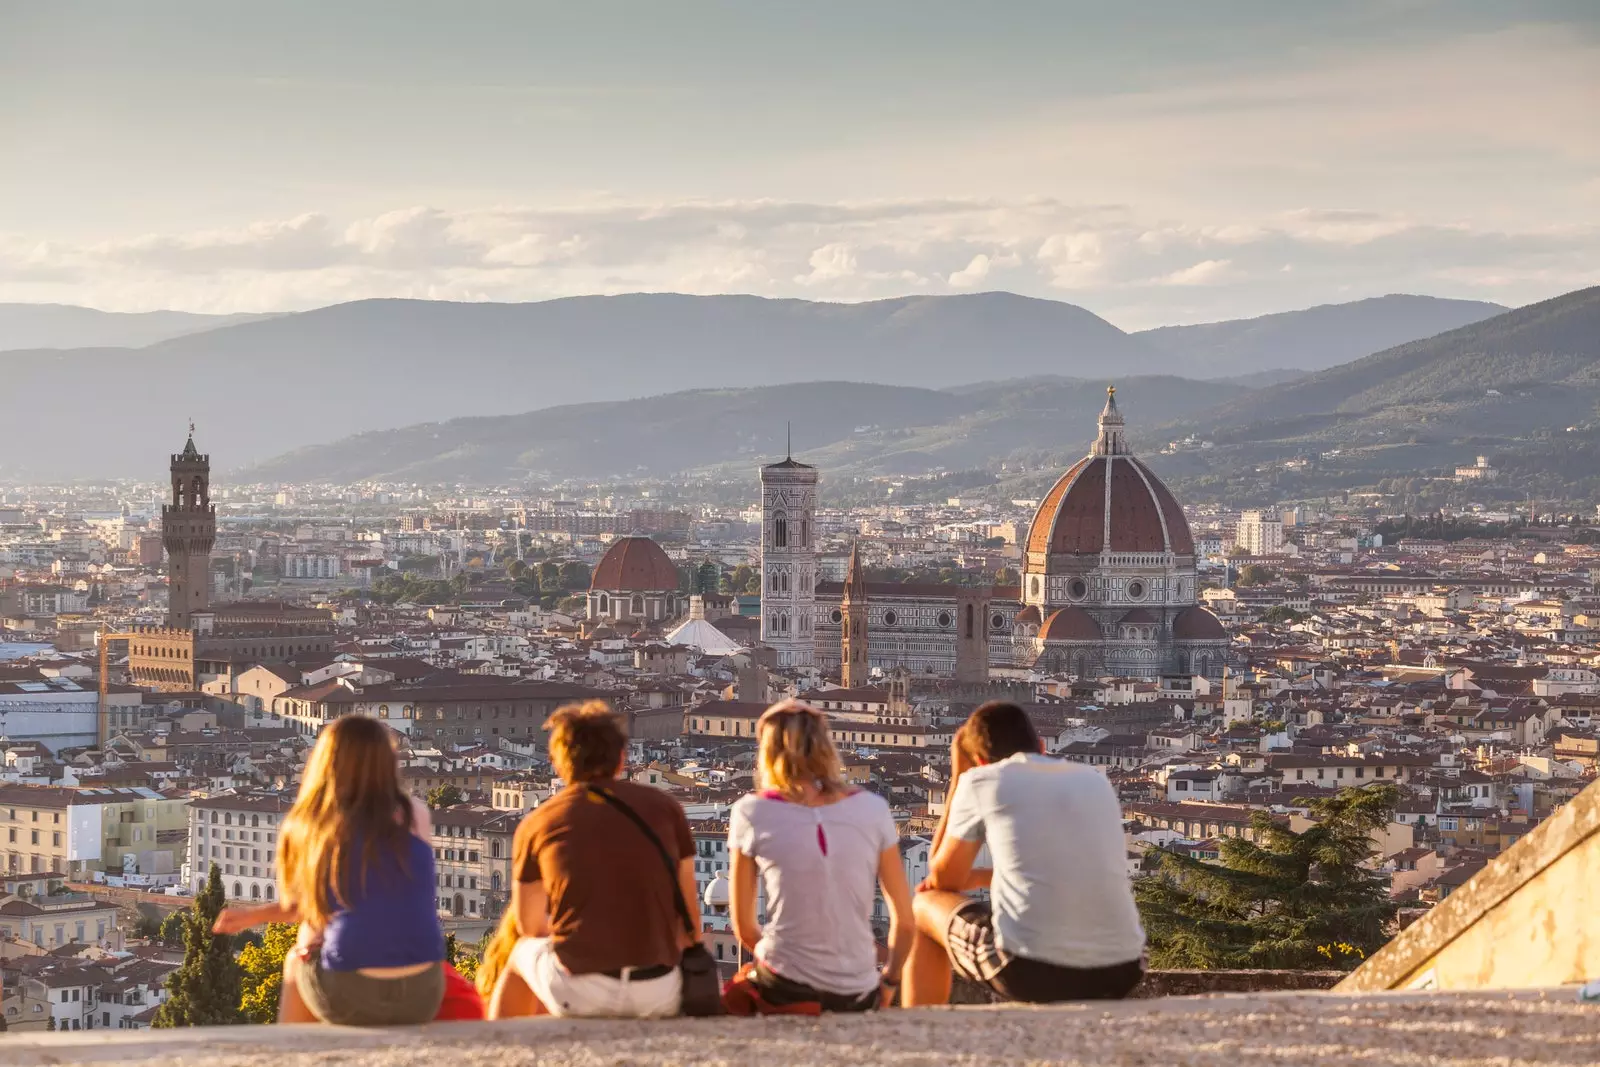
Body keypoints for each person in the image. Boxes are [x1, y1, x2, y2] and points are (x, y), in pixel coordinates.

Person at [901, 701, 1145, 1006]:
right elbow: (1056, 873)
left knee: (923, 905)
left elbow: (940, 879)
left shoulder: (981, 780)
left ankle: (919, 1033)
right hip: (1123, 968)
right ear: (1040, 747)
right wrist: (987, 877)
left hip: (1030, 972)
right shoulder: (1094, 780)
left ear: (978, 760)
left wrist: (958, 780)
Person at [213, 714, 447, 1025]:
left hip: (351, 990)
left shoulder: (313, 823)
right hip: (424, 990)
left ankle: (293, 1056)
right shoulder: (414, 812)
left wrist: (251, 916)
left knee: (298, 954)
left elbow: (303, 909)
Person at [489, 699, 700, 1019]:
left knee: (520, 954)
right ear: (621, 759)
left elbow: (529, 926)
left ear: (559, 762)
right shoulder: (665, 808)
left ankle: (501, 1052)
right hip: (658, 990)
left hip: (580, 991)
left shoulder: (539, 822)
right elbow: (692, 926)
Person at [724, 700, 913, 1013]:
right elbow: (905, 923)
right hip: (858, 991)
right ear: (827, 747)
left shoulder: (751, 811)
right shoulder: (873, 808)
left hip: (785, 987)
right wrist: (889, 982)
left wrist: (787, 960)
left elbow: (744, 927)